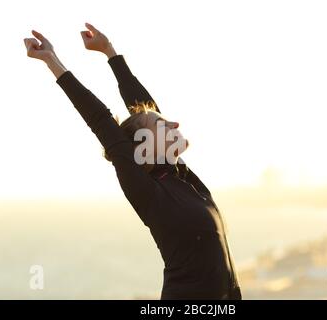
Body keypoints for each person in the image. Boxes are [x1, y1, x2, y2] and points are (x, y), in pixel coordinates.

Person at [23, 23, 242, 300]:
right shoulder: (149, 192)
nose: (173, 122)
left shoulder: (182, 177)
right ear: (144, 146)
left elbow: (146, 108)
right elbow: (100, 120)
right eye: (162, 125)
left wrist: (110, 53)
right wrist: (51, 60)